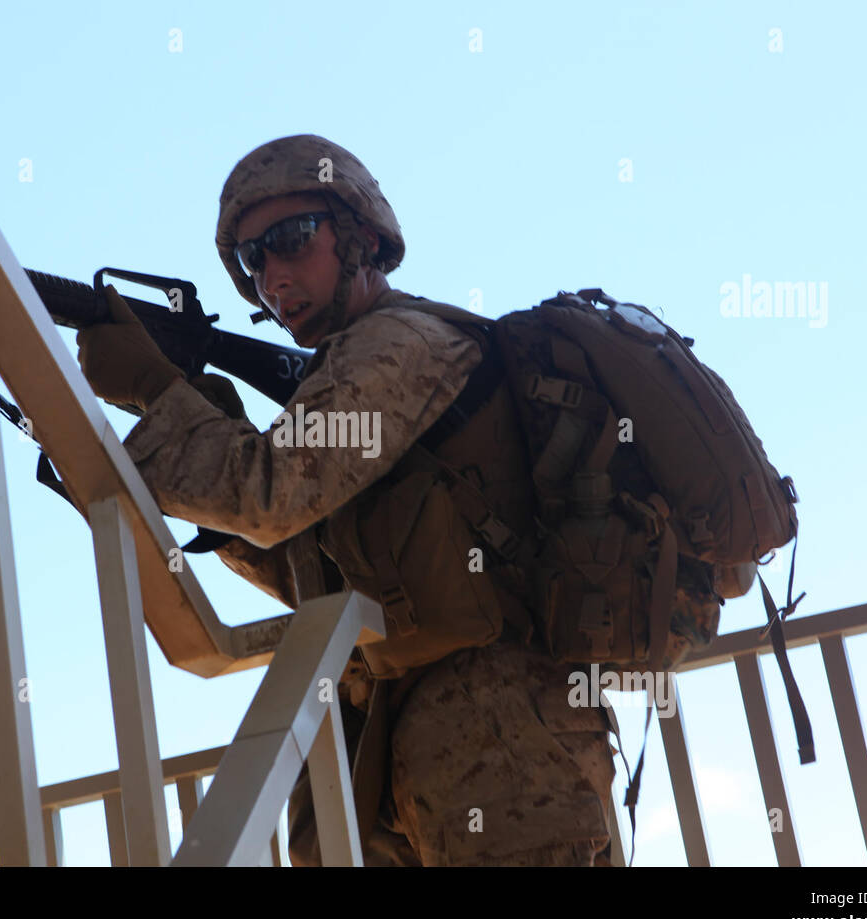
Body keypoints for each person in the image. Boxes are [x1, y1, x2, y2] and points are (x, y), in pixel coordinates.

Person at [75, 134, 619, 866]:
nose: (271, 273)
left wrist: (156, 391)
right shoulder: (341, 374)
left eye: (292, 239)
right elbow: (315, 569)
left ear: (361, 238)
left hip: (502, 730)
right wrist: (203, 440)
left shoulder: (402, 343)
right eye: (250, 259)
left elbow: (268, 495)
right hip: (403, 727)